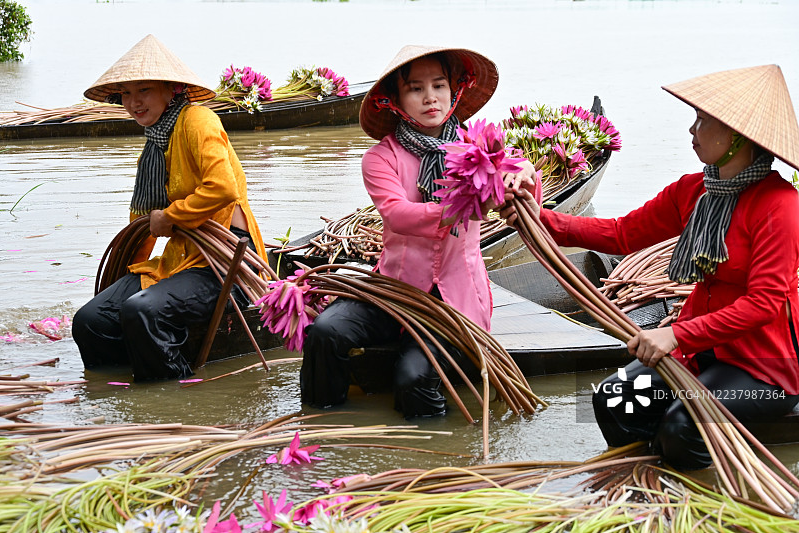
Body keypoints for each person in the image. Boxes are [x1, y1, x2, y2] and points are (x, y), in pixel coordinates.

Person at [501, 64, 799, 470]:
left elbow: (763, 304)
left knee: (681, 428)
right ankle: (642, 484)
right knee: (613, 397)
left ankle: (697, 506)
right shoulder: (693, 190)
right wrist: (539, 217)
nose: (692, 131)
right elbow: (622, 234)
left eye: (703, 121)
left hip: (761, 367)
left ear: (737, 136)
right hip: (700, 348)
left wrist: (675, 334)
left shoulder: (780, 206)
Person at [300, 45, 534, 418]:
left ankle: (436, 455)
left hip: (454, 301)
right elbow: (397, 215)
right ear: (394, 100)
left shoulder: (479, 148)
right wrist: (460, 206)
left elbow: (519, 174)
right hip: (394, 291)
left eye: (439, 86)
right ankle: (318, 424)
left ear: (454, 92)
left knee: (412, 378)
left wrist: (525, 177)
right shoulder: (381, 157)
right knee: (325, 332)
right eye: (415, 89)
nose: (430, 98)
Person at [72, 35, 266, 381]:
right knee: (91, 320)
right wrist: (128, 277)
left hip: (223, 261)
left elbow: (223, 188)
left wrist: (171, 217)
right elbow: (144, 224)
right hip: (178, 260)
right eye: (126, 94)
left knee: (142, 312)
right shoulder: (153, 147)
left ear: (172, 88)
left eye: (143, 90)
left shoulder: (198, 120)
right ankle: (115, 393)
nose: (133, 103)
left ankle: (170, 398)